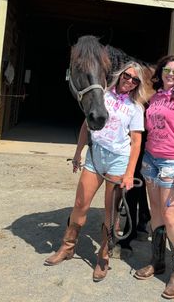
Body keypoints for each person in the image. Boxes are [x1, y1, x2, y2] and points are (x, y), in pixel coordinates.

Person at [44, 62, 147, 282]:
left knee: (110, 212)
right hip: (95, 155)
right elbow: (85, 126)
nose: (128, 81)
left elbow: (136, 143)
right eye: (126, 76)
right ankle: (67, 247)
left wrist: (130, 173)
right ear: (120, 76)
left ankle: (104, 255)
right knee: (81, 203)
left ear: (138, 84)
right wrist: (78, 152)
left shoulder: (136, 107)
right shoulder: (103, 95)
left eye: (134, 80)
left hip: (118, 160)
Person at [134, 55, 174, 299]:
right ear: (160, 72)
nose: (171, 74)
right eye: (166, 70)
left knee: (171, 215)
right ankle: (156, 261)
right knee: (157, 213)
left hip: (172, 163)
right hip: (150, 160)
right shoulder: (156, 97)